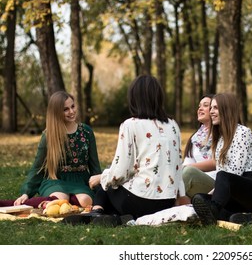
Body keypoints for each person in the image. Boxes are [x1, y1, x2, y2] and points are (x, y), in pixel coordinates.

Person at [63, 75, 187, 226]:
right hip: (167, 201)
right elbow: (178, 166)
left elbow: (119, 173)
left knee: (107, 184)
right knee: (110, 181)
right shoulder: (173, 125)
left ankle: (97, 212)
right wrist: (181, 195)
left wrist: (101, 177)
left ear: (134, 98)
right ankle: (116, 217)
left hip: (140, 200)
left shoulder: (130, 125)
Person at [0, 91, 102, 209]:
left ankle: (67, 200)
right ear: (57, 112)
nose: (72, 111)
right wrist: (26, 192)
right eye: (65, 109)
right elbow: (37, 168)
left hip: (80, 180)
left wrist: (101, 188)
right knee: (59, 200)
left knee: (86, 201)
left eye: (72, 106)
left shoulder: (87, 132)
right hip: (56, 179)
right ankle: (56, 201)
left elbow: (95, 165)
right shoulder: (49, 135)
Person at [191, 93, 252, 225]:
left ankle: (213, 211)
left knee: (221, 179)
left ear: (226, 109)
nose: (211, 111)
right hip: (232, 194)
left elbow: (234, 172)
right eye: (211, 108)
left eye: (215, 108)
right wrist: (210, 196)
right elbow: (224, 177)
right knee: (200, 198)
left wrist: (216, 197)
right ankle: (238, 217)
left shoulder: (243, 132)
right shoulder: (220, 140)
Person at [182, 94, 217, 198]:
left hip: (216, 185)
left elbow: (218, 162)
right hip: (194, 184)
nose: (200, 109)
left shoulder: (223, 134)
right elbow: (188, 163)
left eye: (205, 105)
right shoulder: (195, 138)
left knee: (189, 172)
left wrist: (186, 168)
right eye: (199, 106)